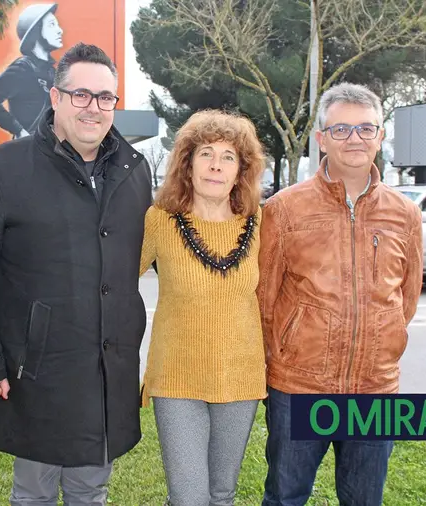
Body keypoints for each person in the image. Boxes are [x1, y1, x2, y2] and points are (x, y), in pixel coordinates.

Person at [0, 42, 153, 505]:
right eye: (80, 94)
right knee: (35, 491)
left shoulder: (133, 170)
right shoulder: (4, 168)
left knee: (90, 490)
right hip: (37, 369)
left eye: (105, 98)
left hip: (106, 369)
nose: (93, 107)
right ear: (55, 97)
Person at [256, 82, 424, 506]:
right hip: (298, 387)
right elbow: (265, 300)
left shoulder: (405, 214)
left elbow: (406, 298)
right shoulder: (283, 210)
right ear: (321, 139)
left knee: (365, 499)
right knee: (285, 496)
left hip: (374, 389)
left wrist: (381, 347)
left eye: (366, 129)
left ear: (381, 136)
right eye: (342, 129)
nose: (355, 139)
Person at [139, 110, 268, 505]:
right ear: (187, 164)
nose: (216, 164)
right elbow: (113, 282)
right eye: (206, 153)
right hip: (177, 377)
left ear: (240, 170)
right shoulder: (160, 220)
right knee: (189, 496)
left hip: (240, 378)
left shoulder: (259, 221)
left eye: (228, 156)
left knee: (222, 493)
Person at [0, 3, 64, 138]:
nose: (60, 30)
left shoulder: (52, 73)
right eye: (52, 25)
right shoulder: (23, 69)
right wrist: (18, 131)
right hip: (27, 152)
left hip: (50, 150)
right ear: (36, 31)